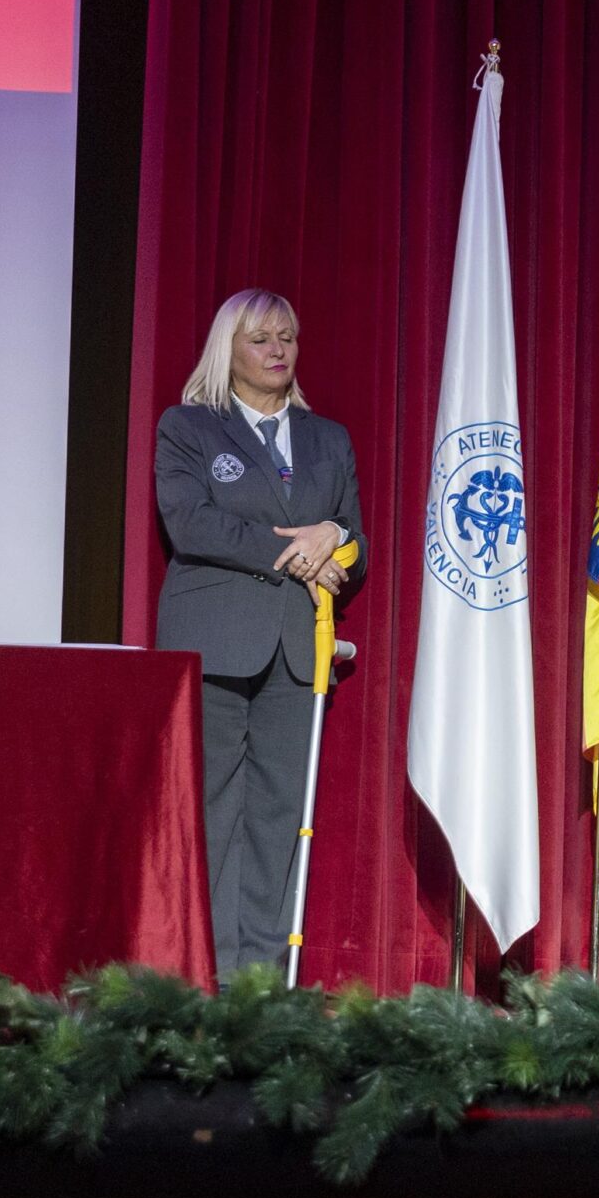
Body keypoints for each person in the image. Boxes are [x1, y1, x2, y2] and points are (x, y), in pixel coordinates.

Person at [155, 288, 367, 980]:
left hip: (298, 646)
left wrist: (334, 534)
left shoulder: (327, 438)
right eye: (261, 339)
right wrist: (297, 551)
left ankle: (261, 981)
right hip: (213, 639)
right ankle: (211, 974)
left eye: (287, 338)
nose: (278, 351)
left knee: (281, 813)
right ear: (229, 349)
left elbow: (356, 541)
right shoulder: (189, 427)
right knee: (213, 809)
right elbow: (192, 525)